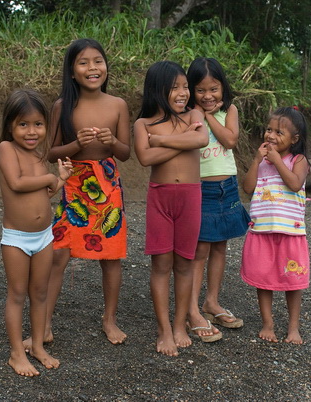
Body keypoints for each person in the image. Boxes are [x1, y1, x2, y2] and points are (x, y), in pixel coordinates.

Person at [23, 38, 131, 350]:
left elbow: (125, 153)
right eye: (83, 62)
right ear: (72, 71)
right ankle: (43, 324)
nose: (92, 68)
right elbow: (52, 150)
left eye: (98, 61)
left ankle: (109, 319)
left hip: (108, 186)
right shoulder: (62, 106)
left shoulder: (118, 105)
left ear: (106, 67)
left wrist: (111, 142)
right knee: (58, 254)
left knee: (111, 256)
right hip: (74, 185)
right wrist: (76, 145)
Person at [134, 61, 209, 356]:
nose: (183, 92)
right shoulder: (143, 124)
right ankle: (164, 329)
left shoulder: (195, 114)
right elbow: (145, 157)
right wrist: (184, 140)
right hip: (160, 197)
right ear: (157, 89)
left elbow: (201, 139)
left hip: (191, 196)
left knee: (185, 263)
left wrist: (164, 139)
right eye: (175, 87)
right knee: (161, 264)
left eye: (185, 86)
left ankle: (180, 325)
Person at [0, 89, 73, 376]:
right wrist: (51, 176)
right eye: (23, 124)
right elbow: (17, 183)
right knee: (17, 293)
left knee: (39, 293)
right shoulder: (7, 149)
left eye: (38, 124)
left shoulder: (40, 156)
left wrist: (60, 181)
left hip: (43, 236)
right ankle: (17, 353)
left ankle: (38, 345)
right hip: (17, 238)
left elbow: (45, 194)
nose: (31, 131)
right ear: (10, 126)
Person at [185, 57, 250, 341]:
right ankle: (191, 310)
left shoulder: (230, 110)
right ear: (190, 90)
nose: (208, 96)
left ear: (223, 87)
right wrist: (199, 113)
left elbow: (230, 141)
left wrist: (209, 115)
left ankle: (211, 302)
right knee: (199, 250)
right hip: (201, 190)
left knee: (220, 247)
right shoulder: (187, 114)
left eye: (214, 89)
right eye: (201, 90)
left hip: (228, 186)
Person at [240, 107, 310, 344]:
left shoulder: (298, 160)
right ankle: (267, 323)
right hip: (261, 230)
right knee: (263, 277)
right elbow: (248, 188)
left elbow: (294, 183)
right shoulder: (262, 162)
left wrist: (278, 161)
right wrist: (257, 160)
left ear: (294, 139)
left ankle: (293, 327)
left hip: (290, 232)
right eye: (269, 130)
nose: (270, 136)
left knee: (293, 281)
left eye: (279, 133)